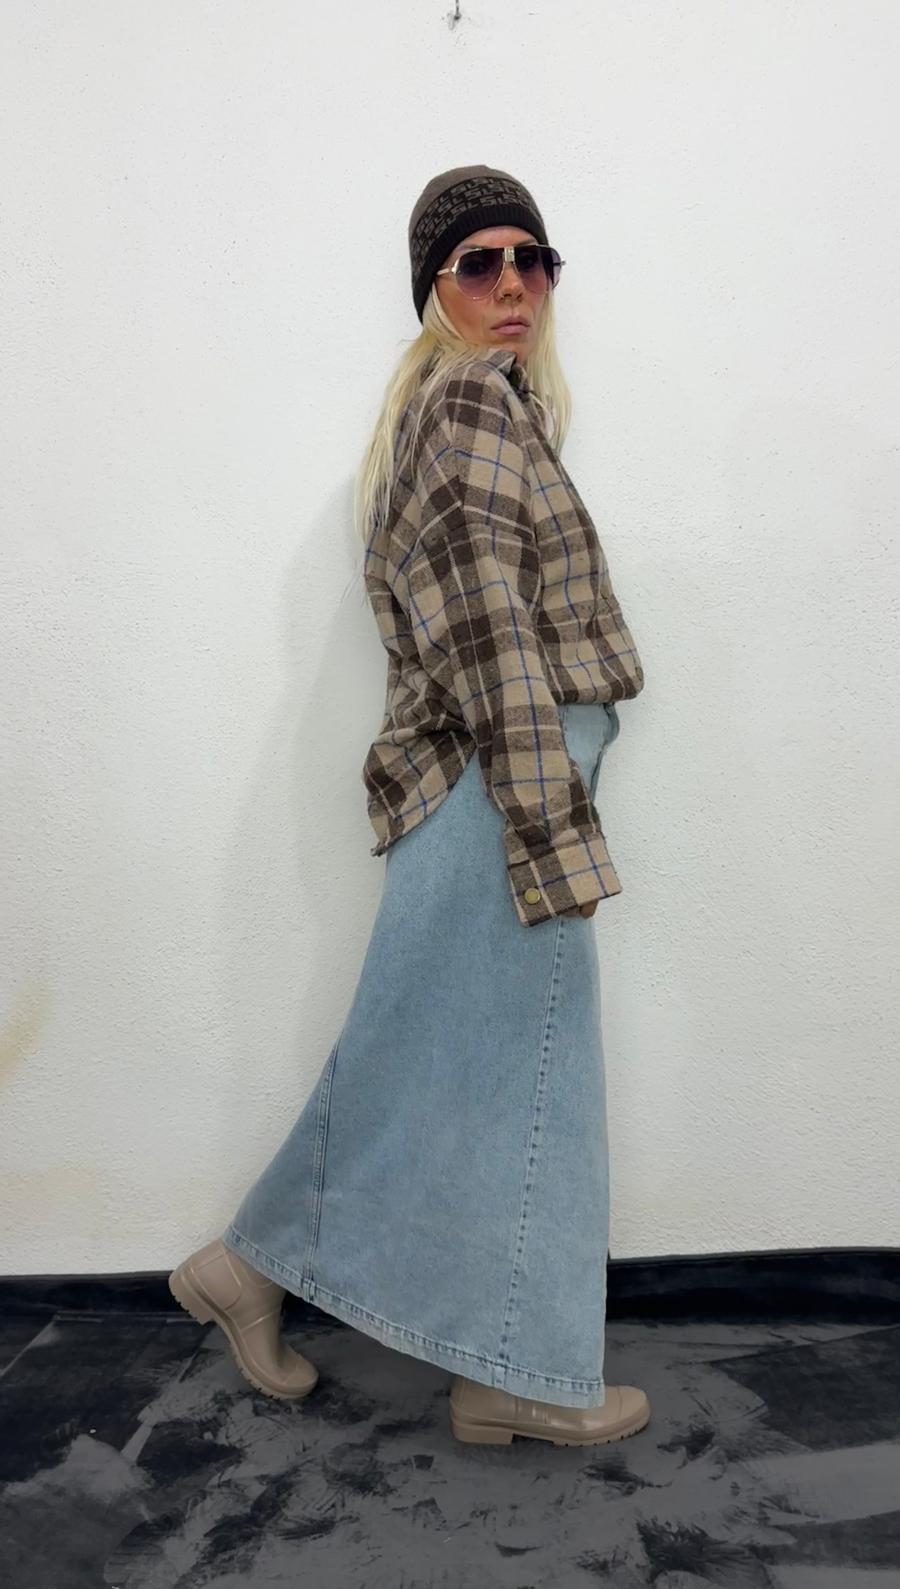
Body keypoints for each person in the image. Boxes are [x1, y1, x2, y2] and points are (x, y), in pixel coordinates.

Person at [169, 164, 650, 1448]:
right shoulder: (470, 405)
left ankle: (265, 1276)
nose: (513, 284)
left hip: (484, 789)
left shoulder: (468, 409)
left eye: (533, 259)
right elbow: (495, 636)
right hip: (506, 789)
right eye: (479, 263)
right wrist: (550, 827)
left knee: (454, 1072)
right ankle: (515, 1375)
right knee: (531, 1081)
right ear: (434, 289)